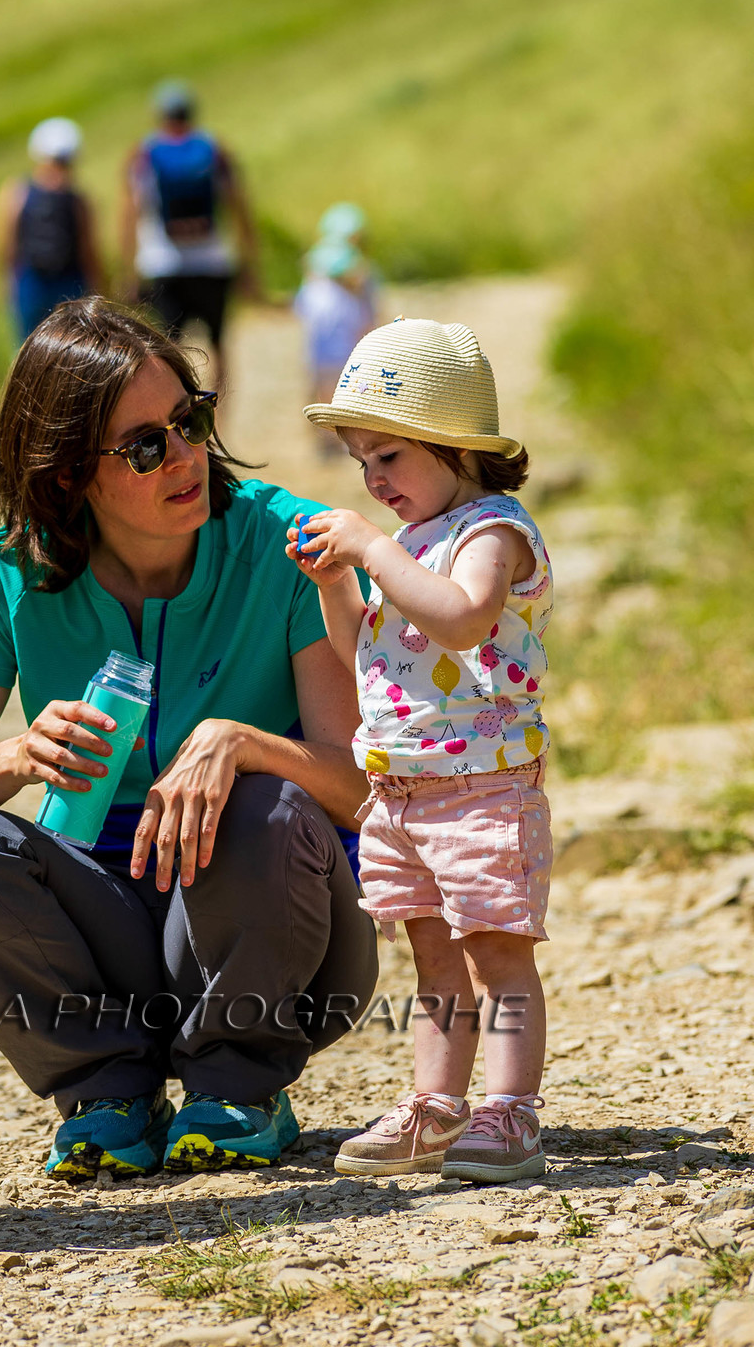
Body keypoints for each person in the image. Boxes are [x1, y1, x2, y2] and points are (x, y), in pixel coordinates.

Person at [0, 297, 377, 1183]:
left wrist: (248, 743)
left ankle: (241, 1085)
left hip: (286, 933)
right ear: (69, 472)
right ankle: (108, 1091)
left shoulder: (287, 543)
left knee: (263, 797)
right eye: (146, 446)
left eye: (188, 420)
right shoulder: (5, 572)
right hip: (103, 923)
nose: (185, 457)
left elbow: (364, 788)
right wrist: (10, 759)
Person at [286, 317, 551, 1183]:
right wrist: (339, 583)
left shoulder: (492, 534)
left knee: (495, 949)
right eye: (361, 461)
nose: (372, 480)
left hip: (481, 786)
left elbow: (466, 616)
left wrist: (366, 544)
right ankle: (436, 1104)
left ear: (453, 445)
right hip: (402, 788)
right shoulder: (408, 546)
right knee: (432, 954)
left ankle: (509, 1109)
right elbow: (361, 647)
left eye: (388, 456)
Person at [120, 82, 259, 390]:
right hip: (213, 262)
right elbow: (240, 210)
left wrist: (129, 274)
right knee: (220, 344)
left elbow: (130, 216)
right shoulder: (215, 150)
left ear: (159, 114)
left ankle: (181, 414)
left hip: (163, 264)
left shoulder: (143, 154)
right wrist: (249, 265)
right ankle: (219, 419)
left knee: (169, 350)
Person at [0, 118, 105, 341]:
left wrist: (7, 282)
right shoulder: (77, 199)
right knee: (76, 347)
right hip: (71, 283)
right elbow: (88, 249)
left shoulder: (18, 192)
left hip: (30, 282)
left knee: (27, 347)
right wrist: (98, 288)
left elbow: (7, 243)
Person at [294, 237, 380, 458]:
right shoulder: (349, 298)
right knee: (345, 398)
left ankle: (324, 439)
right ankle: (341, 439)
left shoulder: (313, 291)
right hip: (344, 357)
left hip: (316, 358)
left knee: (320, 397)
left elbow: (302, 314)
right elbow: (363, 326)